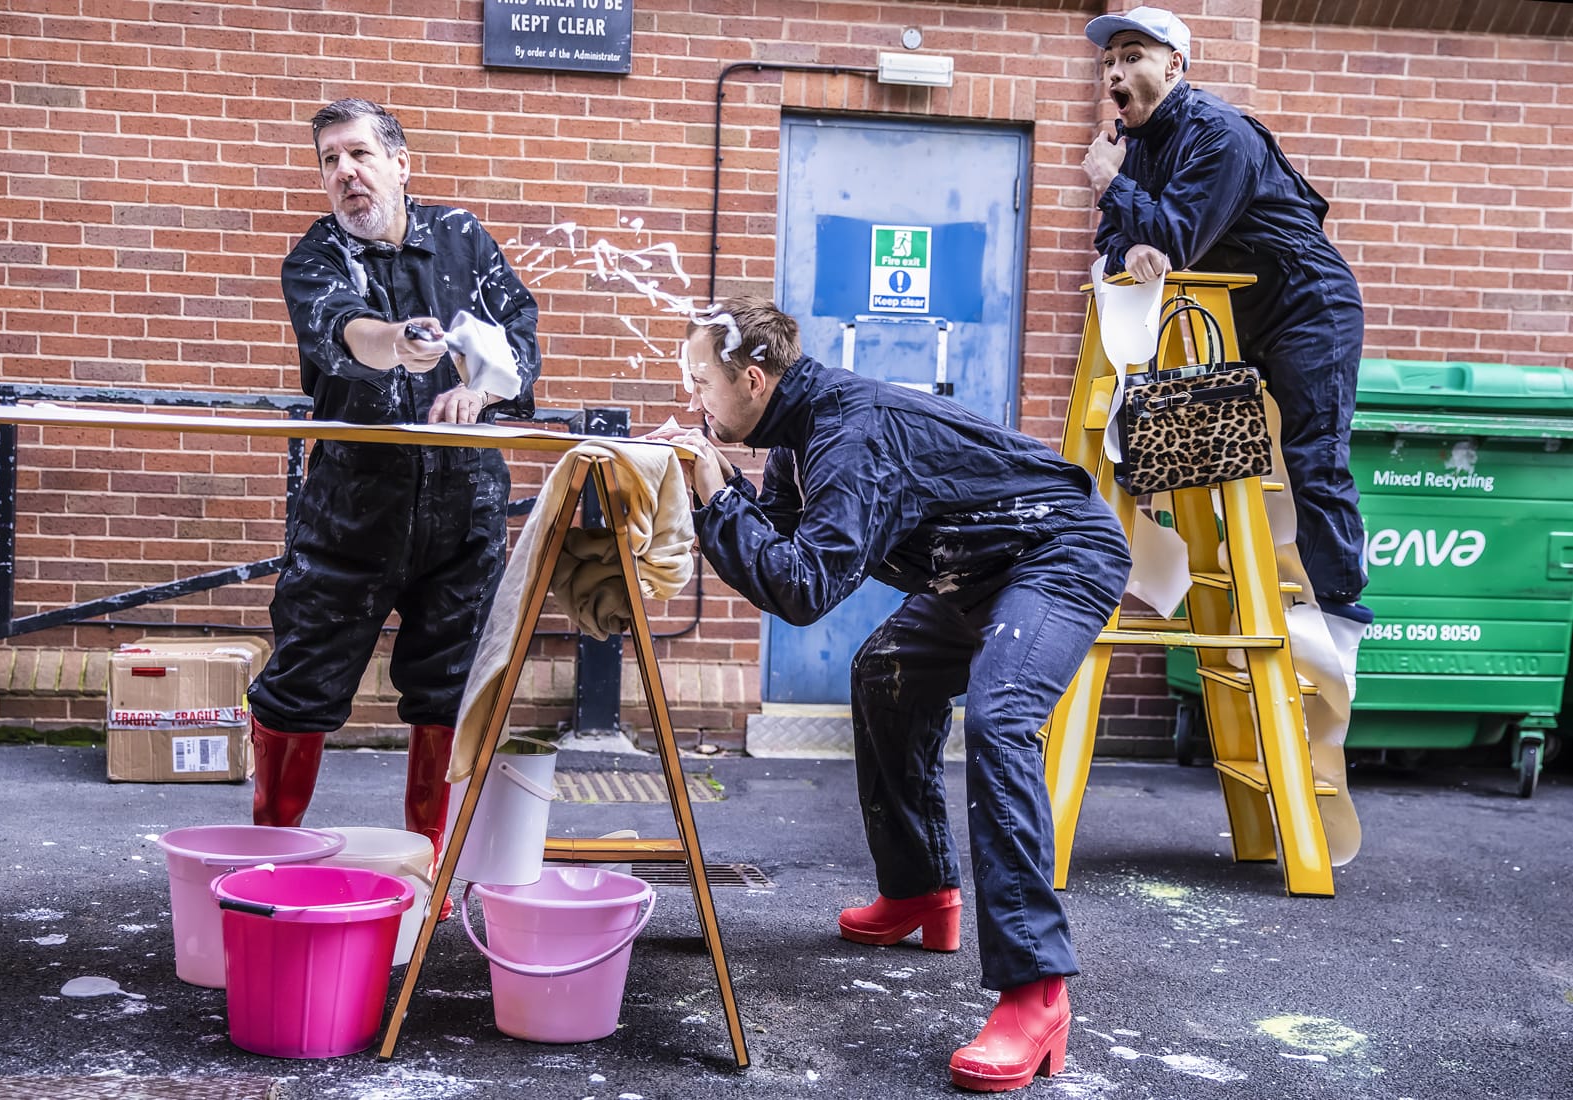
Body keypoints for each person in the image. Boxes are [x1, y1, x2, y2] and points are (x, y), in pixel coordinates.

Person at [652, 298, 1132, 1091]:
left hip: (1055, 551)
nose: (693, 398)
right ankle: (919, 891)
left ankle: (1035, 992)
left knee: (1001, 718)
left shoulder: (849, 433)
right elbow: (774, 545)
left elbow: (803, 587)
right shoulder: (796, 437)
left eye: (700, 381)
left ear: (751, 377)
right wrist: (713, 487)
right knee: (885, 673)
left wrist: (714, 490)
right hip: (974, 571)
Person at [246, 98, 541, 895]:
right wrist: (399, 347)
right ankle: (271, 857)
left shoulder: (464, 239)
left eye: (358, 155)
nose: (344, 173)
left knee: (448, 687)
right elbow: (343, 330)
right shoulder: (314, 257)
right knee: (302, 680)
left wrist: (481, 390)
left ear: (400, 163)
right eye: (329, 161)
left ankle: (432, 867)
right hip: (353, 507)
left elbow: (519, 333)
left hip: (464, 510)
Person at [1080, 6, 1372, 627]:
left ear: (1176, 65)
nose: (1114, 72)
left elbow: (1174, 241)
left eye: (1134, 57)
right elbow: (1116, 244)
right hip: (1233, 313)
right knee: (1183, 434)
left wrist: (1113, 187)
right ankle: (1195, 586)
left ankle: (1338, 618)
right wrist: (1130, 236)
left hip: (1307, 306)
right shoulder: (1136, 147)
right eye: (1109, 61)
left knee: (1312, 456)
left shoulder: (1220, 134)